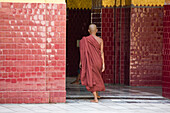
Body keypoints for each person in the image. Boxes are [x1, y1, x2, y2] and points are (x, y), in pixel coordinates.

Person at [79, 24, 105, 103]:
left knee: (92, 78)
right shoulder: (100, 40)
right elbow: (102, 53)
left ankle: (95, 99)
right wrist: (103, 64)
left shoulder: (85, 40)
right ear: (96, 30)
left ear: (89, 31)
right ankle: (96, 94)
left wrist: (81, 62)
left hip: (91, 62)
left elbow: (83, 53)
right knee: (96, 77)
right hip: (98, 61)